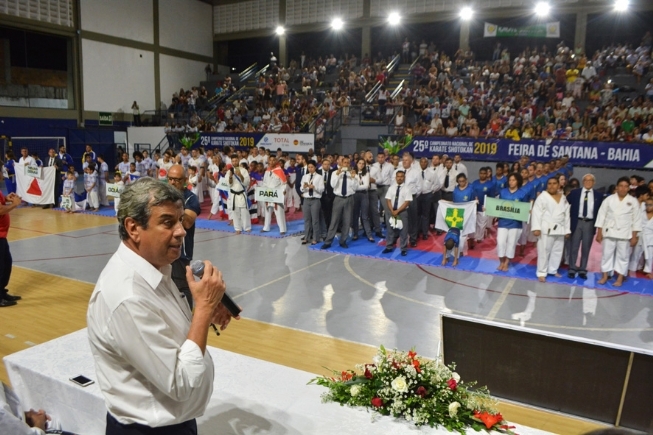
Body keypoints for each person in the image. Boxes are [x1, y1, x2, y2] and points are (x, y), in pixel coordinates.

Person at [87, 177, 238, 434]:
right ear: (133, 228)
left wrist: (205, 309)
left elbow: (166, 333)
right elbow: (181, 383)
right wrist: (202, 309)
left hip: (171, 422)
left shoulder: (157, 267)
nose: (181, 230)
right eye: (168, 222)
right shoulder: (127, 297)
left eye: (180, 220)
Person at [595, 177, 642, 287]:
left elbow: (636, 220)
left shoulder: (633, 201)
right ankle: (605, 276)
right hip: (609, 231)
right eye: (621, 186)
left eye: (626, 186)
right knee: (607, 255)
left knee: (623, 256)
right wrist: (599, 232)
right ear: (617, 187)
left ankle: (620, 278)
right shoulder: (609, 199)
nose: (623, 188)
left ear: (628, 188)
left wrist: (634, 236)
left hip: (625, 233)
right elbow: (601, 216)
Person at [166, 164, 202, 309]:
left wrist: (172, 205)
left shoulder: (190, 199)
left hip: (181, 251)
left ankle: (187, 319)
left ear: (185, 180)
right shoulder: (162, 197)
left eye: (177, 180)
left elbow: (187, 223)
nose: (173, 183)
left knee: (182, 286)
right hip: (162, 248)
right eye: (170, 179)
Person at [531, 177, 571, 282]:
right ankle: (541, 272)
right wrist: (536, 228)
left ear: (558, 185)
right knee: (544, 251)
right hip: (546, 228)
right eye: (549, 183)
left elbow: (566, 215)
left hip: (560, 228)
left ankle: (553, 270)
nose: (552, 185)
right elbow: (536, 213)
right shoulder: (542, 197)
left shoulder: (563, 198)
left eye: (554, 183)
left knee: (557, 251)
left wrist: (567, 230)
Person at [567, 174, 604, 280]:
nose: (588, 182)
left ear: (594, 182)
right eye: (586, 180)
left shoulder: (598, 195)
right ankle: (572, 268)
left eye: (590, 180)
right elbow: (565, 205)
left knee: (586, 247)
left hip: (590, 223)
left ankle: (583, 269)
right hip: (576, 221)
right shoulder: (575, 193)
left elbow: (601, 212)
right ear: (583, 182)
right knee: (574, 246)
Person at [321, 156, 356, 250]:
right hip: (338, 198)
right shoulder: (334, 173)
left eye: (348, 163)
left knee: (347, 221)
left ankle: (343, 241)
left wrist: (353, 178)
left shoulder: (352, 173)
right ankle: (328, 241)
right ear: (341, 163)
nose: (346, 164)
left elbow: (355, 188)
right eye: (345, 162)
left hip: (349, 198)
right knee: (334, 221)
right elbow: (333, 185)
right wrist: (337, 174)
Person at [496, 172, 528, 272]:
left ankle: (506, 263)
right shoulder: (503, 192)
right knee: (500, 242)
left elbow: (524, 209)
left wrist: (528, 211)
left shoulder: (522, 194)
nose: (511, 182)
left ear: (518, 181)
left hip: (515, 223)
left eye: (513, 180)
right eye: (510, 180)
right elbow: (497, 205)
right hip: (503, 222)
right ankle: (501, 261)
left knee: (511, 243)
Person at [0, 167, 22, 307]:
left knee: (6, 263)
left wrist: (6, 199)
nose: (2, 174)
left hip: (2, 234)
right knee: (2, 265)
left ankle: (2, 292)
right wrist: (14, 205)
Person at [382, 169, 412, 256]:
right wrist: (392, 211)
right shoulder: (391, 188)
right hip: (391, 211)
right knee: (390, 229)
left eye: (401, 177)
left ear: (404, 178)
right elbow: (388, 200)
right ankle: (389, 246)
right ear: (395, 178)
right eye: (398, 176)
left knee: (403, 231)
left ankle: (403, 248)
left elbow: (407, 202)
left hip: (402, 212)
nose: (399, 178)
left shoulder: (407, 189)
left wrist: (397, 211)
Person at [299, 160, 324, 245]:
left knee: (315, 220)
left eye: (312, 167)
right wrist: (304, 187)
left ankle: (315, 238)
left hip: (315, 200)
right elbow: (301, 189)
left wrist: (314, 187)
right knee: (307, 220)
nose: (310, 169)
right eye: (309, 167)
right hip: (306, 199)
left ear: (315, 167)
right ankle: (306, 237)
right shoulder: (305, 177)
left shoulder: (319, 177)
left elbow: (322, 190)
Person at [261, 156, 287, 234]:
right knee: (268, 210)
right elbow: (264, 182)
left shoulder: (279, 171)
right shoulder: (267, 171)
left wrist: (283, 190)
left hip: (277, 194)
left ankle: (282, 229)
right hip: (268, 193)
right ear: (268, 161)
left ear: (276, 161)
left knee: (278, 212)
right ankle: (266, 227)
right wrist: (264, 190)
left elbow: (284, 183)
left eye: (273, 160)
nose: (272, 162)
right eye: (270, 160)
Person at [351, 158, 374, 243]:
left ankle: (369, 235)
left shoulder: (366, 174)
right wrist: (356, 185)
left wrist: (357, 187)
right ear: (356, 164)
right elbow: (352, 186)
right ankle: (355, 234)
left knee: (365, 216)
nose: (361, 165)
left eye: (362, 164)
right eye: (359, 163)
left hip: (364, 194)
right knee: (355, 215)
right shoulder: (353, 173)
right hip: (355, 195)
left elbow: (366, 186)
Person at [417, 157, 439, 241]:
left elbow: (437, 184)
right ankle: (418, 231)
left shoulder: (432, 173)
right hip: (418, 195)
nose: (423, 164)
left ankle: (425, 233)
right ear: (419, 163)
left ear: (427, 163)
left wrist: (431, 192)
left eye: (425, 162)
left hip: (427, 195)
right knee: (417, 215)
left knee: (426, 215)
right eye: (421, 162)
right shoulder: (416, 172)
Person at [227, 162, 251, 234]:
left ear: (238, 160)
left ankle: (247, 227)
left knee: (245, 211)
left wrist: (240, 175)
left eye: (236, 160)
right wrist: (231, 176)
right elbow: (229, 184)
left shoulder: (244, 170)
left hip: (242, 193)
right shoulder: (229, 172)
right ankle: (238, 228)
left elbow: (247, 183)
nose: (234, 162)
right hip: (234, 195)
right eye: (233, 161)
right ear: (231, 161)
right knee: (235, 212)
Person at [642, 197, 653, 279]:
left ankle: (648, 270)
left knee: (650, 255)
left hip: (651, 237)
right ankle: (634, 268)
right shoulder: (641, 213)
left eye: (650, 205)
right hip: (641, 235)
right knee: (636, 254)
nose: (648, 207)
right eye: (646, 205)